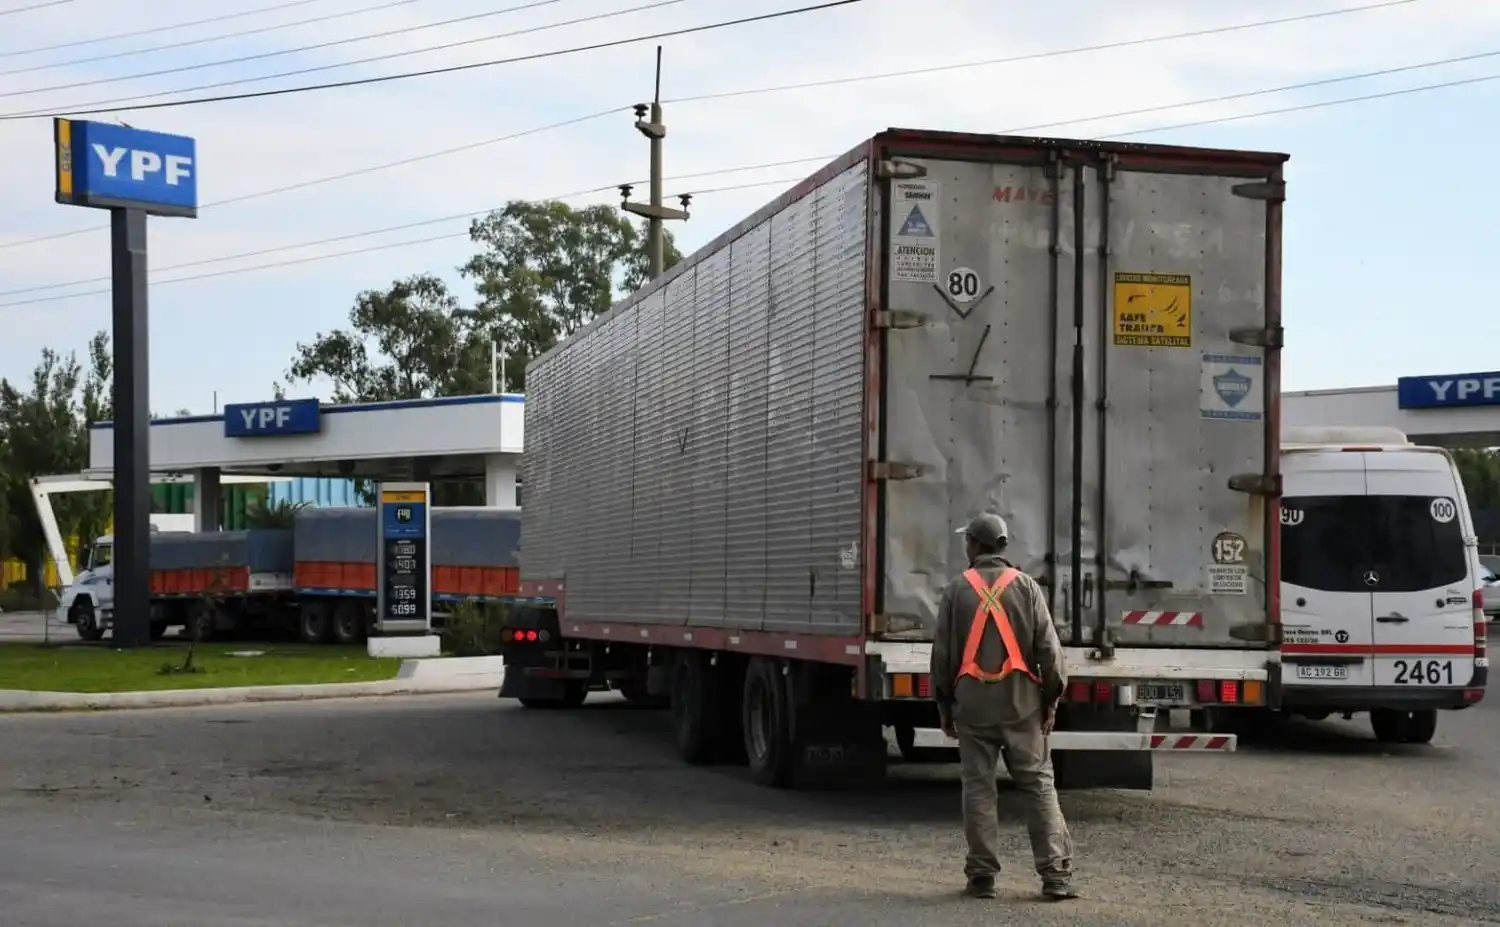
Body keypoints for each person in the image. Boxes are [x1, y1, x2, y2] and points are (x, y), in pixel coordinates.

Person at [929, 512, 1076, 901]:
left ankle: (981, 876)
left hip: (973, 707)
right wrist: (1051, 700)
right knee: (1038, 785)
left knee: (978, 787)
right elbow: (1050, 651)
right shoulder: (1027, 587)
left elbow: (942, 657)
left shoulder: (957, 590)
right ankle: (1055, 874)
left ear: (976, 545)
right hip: (1022, 707)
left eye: (968, 541)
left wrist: (944, 704)